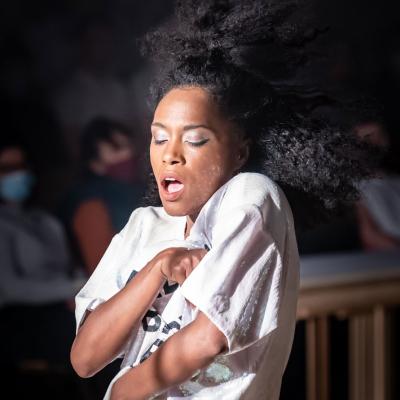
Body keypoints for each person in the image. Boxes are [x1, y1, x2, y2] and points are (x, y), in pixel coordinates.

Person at [70, 2, 373, 399]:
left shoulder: (251, 195)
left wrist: (123, 391)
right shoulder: (143, 225)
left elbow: (207, 340)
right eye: (159, 137)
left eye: (194, 140)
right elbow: (85, 359)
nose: (170, 154)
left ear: (241, 152)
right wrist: (158, 268)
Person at [0, 143, 83, 366]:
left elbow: (66, 267)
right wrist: (72, 288)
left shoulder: (44, 219)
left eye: (22, 166)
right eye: (8, 169)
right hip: (22, 319)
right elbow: (10, 288)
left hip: (64, 306)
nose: (18, 174)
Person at [61, 117, 146, 275]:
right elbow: (102, 271)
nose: (128, 153)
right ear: (94, 162)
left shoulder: (140, 190)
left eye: (128, 145)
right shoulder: (90, 205)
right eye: (116, 148)